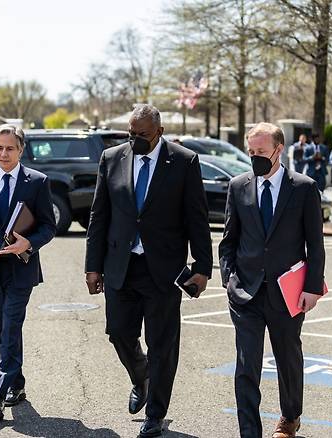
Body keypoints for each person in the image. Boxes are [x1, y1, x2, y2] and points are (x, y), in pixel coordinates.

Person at [85, 104, 212, 438]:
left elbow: (196, 218)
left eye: (141, 134)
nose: (134, 139)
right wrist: (92, 266)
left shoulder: (184, 162)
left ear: (160, 131)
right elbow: (99, 215)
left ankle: (155, 414)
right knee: (119, 333)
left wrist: (202, 268)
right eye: (130, 132)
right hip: (120, 266)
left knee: (162, 345)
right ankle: (141, 375)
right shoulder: (112, 158)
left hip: (164, 269)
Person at [219, 122, 326, 438]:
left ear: (279, 150)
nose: (255, 157)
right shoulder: (238, 186)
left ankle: (290, 417)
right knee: (246, 365)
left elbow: (315, 244)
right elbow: (229, 240)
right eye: (251, 151)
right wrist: (229, 280)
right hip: (246, 293)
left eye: (261, 152)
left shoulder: (304, 188)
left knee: (288, 358)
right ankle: (249, 431)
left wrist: (312, 288)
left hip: (287, 294)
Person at [0, 124, 56, 420]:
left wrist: (29, 242)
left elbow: (48, 226)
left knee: (11, 325)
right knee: (1, 330)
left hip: (21, 268)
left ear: (21, 150)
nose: (4, 153)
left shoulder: (37, 182)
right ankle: (17, 384)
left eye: (10, 148)